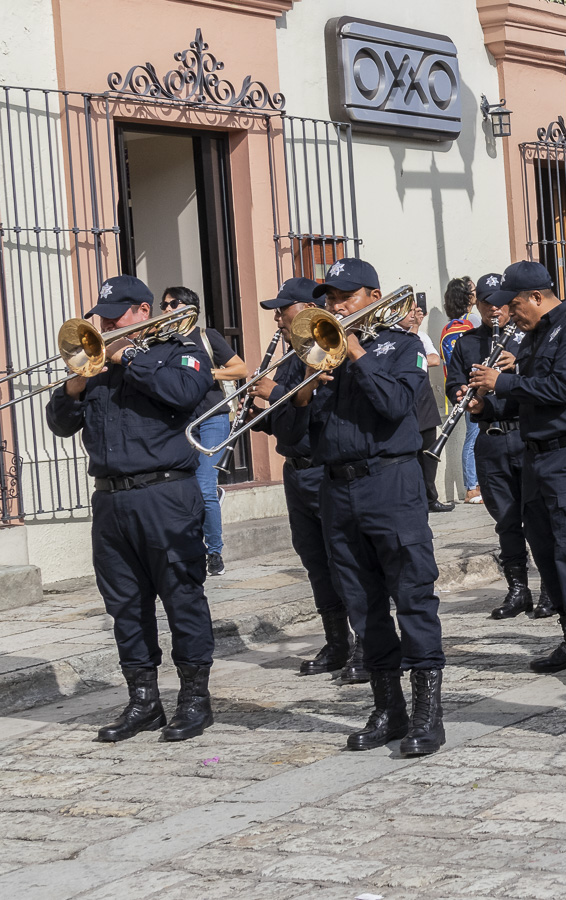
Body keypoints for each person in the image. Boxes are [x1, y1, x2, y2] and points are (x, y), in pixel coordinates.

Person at [273, 258, 448, 757]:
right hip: (336, 488)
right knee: (362, 603)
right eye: (329, 298)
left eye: (345, 297)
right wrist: (302, 395)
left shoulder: (403, 346)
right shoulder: (315, 357)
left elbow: (396, 406)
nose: (335, 306)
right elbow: (289, 439)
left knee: (412, 596)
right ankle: (387, 707)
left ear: (373, 297)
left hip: (390, 482)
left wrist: (353, 352)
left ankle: (426, 713)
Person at [48, 275, 216, 743]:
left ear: (144, 311)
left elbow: (186, 394)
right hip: (110, 499)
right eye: (103, 315)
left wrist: (128, 356)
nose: (106, 323)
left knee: (181, 595)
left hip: (165, 495)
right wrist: (77, 383)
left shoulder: (182, 350)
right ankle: (143, 701)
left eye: (117, 314)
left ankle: (194, 699)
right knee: (124, 604)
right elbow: (60, 424)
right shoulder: (95, 363)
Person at [467, 262, 566, 684]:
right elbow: (527, 400)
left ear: (536, 297)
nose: (508, 313)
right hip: (537, 456)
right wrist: (485, 404)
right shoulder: (533, 336)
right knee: (545, 550)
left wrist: (502, 383)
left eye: (513, 305)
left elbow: (562, 389)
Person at [248, 277, 365, 684]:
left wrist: (277, 390)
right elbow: (290, 426)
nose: (277, 318)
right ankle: (337, 642)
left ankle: (366, 644)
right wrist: (260, 417)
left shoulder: (321, 350)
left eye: (283, 309)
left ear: (305, 307)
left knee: (344, 561)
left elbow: (317, 409)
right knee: (315, 561)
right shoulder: (292, 355)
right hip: (296, 471)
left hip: (322, 469)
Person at [447, 273, 546, 619]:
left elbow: (543, 384)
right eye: (485, 302)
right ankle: (518, 589)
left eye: (499, 303)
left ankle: (549, 586)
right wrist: (463, 395)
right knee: (506, 520)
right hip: (490, 440)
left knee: (538, 516)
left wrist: (513, 371)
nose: (493, 309)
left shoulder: (530, 338)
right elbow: (454, 383)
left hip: (525, 435)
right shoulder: (467, 343)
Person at [162, 286, 246, 577]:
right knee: (183, 487)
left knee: (204, 487)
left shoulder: (206, 337)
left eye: (171, 304)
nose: (166, 309)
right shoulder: (164, 342)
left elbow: (240, 369)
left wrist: (208, 373)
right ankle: (187, 548)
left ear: (188, 308)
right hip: (180, 421)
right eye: (164, 305)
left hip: (212, 417)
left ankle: (214, 552)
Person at [406, 297, 452, 514]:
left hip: (424, 402)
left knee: (429, 455)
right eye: (412, 311)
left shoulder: (421, 337)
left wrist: (416, 354)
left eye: (417, 310)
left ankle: (431, 498)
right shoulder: (397, 337)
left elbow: (435, 360)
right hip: (406, 401)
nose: (417, 315)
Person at [440, 276, 480, 504]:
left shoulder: (447, 327)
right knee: (474, 437)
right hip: (477, 387)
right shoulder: (473, 321)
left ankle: (473, 485)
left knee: (471, 436)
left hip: (459, 389)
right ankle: (472, 487)